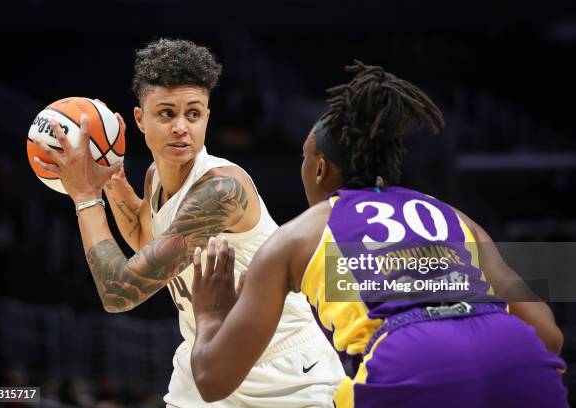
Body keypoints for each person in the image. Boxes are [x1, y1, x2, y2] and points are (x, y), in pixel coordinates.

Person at [190, 61, 569, 407]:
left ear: (319, 168)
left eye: (304, 159)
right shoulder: (456, 218)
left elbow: (213, 379)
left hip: (409, 357)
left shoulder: (295, 237)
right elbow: (548, 335)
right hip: (515, 354)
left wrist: (209, 316)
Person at [32, 38, 344, 407]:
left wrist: (86, 197)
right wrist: (111, 178)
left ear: (207, 117)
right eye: (166, 114)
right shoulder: (154, 177)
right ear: (138, 120)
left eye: (193, 114)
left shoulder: (221, 190)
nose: (181, 127)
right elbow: (147, 241)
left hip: (283, 368)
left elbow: (119, 292)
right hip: (208, 356)